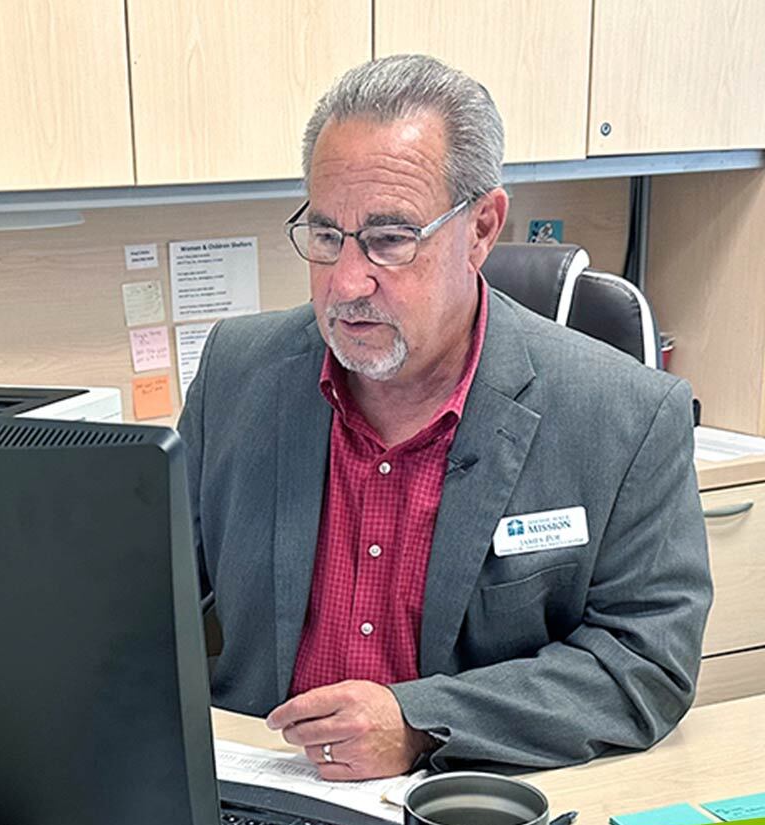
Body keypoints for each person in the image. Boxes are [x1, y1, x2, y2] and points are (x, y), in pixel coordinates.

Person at [177, 55, 712, 780]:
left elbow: (645, 662)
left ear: (482, 226)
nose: (345, 281)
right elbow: (143, 598)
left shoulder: (625, 415)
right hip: (264, 791)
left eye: (391, 239)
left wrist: (422, 723)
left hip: (473, 804)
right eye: (327, 235)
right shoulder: (239, 373)